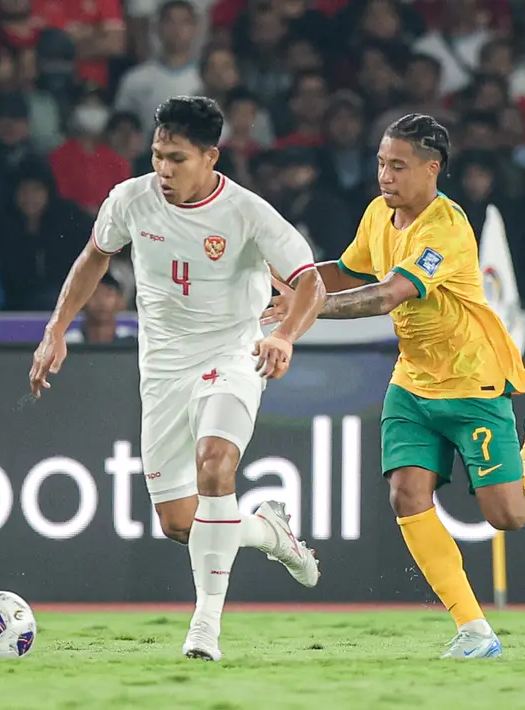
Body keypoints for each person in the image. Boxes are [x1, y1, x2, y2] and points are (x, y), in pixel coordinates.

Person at [261, 114, 525, 660]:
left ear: (432, 168)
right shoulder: (379, 215)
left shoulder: (446, 227)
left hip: (471, 382)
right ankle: (475, 631)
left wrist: (306, 311)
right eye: (381, 164)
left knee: (507, 516)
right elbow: (345, 272)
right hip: (412, 381)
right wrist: (292, 279)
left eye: (398, 166)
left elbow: (387, 295)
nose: (384, 176)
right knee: (406, 493)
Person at [28, 96, 327, 661]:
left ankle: (205, 629)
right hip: (163, 368)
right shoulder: (130, 199)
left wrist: (284, 334)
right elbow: (95, 256)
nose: (164, 170)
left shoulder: (248, 213)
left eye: (178, 159)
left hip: (233, 353)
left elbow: (310, 283)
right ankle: (266, 530)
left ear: (211, 156)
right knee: (181, 524)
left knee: (216, 465)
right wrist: (55, 330)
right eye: (158, 155)